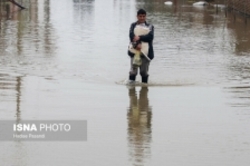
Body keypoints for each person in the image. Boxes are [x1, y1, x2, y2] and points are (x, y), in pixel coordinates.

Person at [127, 9, 154, 84]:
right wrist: (137, 44)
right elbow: (131, 36)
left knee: (143, 72)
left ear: (145, 16)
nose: (142, 18)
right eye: (140, 16)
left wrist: (140, 38)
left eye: (143, 16)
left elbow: (150, 37)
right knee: (133, 72)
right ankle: (131, 91)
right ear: (137, 16)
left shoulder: (150, 26)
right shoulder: (133, 25)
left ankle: (144, 89)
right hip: (134, 51)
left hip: (146, 53)